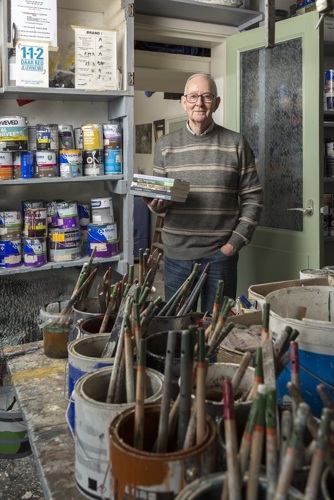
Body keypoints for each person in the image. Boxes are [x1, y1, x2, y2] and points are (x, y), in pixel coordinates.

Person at [143, 73, 263, 313]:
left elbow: (253, 198)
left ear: (216, 103)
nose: (199, 102)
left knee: (215, 327)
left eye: (206, 96)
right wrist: (155, 204)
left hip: (220, 255)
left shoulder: (236, 143)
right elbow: (161, 199)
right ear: (183, 101)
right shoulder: (165, 145)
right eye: (193, 96)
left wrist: (233, 245)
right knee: (176, 325)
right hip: (177, 254)